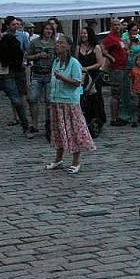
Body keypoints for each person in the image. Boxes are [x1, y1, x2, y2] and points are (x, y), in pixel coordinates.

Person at [44, 35, 96, 174]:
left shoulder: (74, 63)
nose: (58, 45)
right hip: (56, 100)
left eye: (61, 43)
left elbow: (77, 82)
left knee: (73, 131)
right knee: (58, 131)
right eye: (57, 43)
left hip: (69, 102)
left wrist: (62, 78)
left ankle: (75, 161)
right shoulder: (56, 62)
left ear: (68, 46)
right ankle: (58, 159)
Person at [0, 17, 32, 138]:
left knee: (16, 101)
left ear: (0, 27)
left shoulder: (9, 39)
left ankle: (26, 128)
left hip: (7, 75)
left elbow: (19, 55)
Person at [25, 23, 57, 135]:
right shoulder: (34, 42)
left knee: (49, 100)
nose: (48, 31)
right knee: (33, 98)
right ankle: (34, 124)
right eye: (46, 29)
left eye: (50, 29)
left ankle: (49, 124)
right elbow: (27, 57)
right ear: (42, 30)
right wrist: (38, 56)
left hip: (50, 74)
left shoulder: (55, 43)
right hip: (37, 74)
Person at [101, 18, 129, 126]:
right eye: (115, 25)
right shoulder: (110, 38)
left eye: (118, 24)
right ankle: (113, 118)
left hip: (123, 68)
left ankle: (118, 116)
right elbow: (103, 49)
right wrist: (111, 58)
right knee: (115, 93)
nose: (117, 26)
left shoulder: (120, 38)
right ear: (111, 27)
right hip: (116, 68)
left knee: (120, 93)